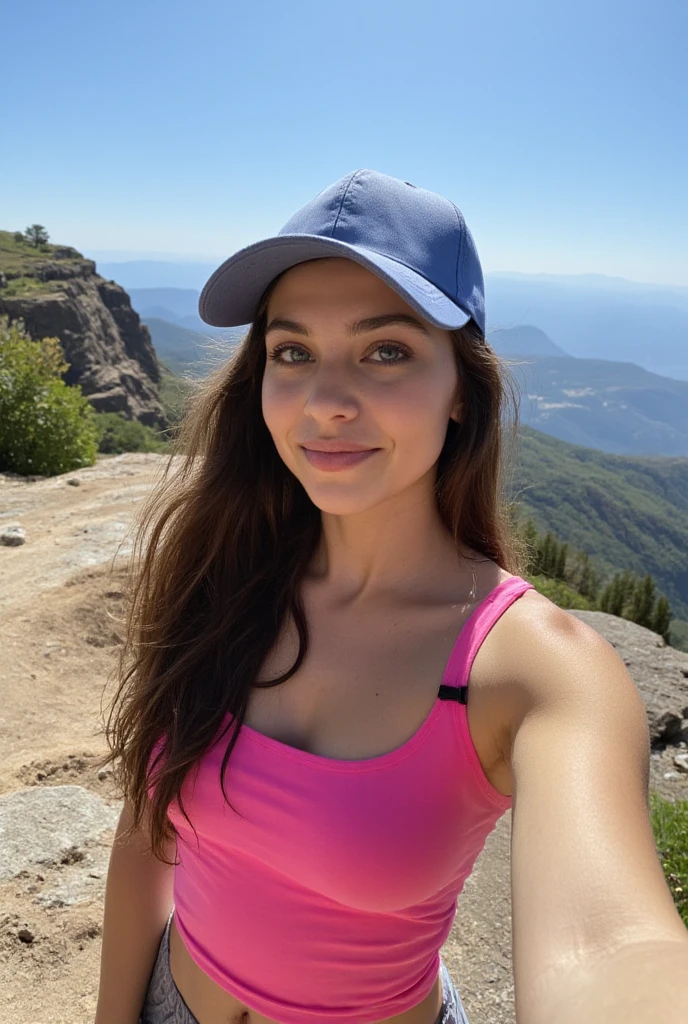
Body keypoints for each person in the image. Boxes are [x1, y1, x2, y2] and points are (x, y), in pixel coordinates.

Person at [95, 170, 688, 1024]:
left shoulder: (534, 667)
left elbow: (610, 948)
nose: (326, 402)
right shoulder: (221, 577)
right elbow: (147, 834)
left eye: (386, 351)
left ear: (460, 392)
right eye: (292, 352)